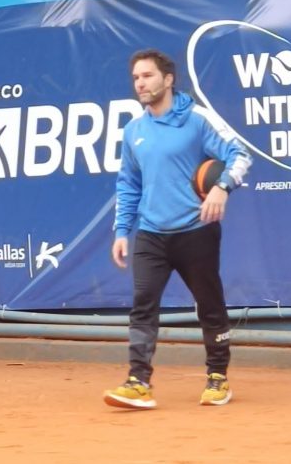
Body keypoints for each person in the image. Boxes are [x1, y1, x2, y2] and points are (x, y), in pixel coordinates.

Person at [103, 48, 252, 409]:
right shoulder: (134, 131)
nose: (140, 83)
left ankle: (217, 378)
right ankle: (138, 381)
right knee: (143, 305)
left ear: (168, 79)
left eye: (148, 76)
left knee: (210, 305)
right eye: (136, 78)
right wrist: (122, 231)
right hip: (151, 234)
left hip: (196, 231)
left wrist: (222, 187)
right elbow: (129, 184)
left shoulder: (197, 120)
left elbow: (241, 154)